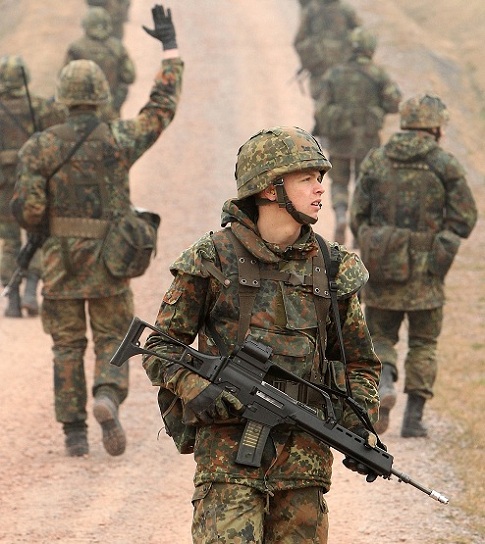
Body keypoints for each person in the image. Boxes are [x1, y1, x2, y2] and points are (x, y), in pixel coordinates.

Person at [142, 126, 381, 543]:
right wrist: (200, 390)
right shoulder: (213, 257)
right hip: (227, 460)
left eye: (320, 178)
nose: (319, 189)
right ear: (270, 189)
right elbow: (160, 347)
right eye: (306, 178)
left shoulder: (332, 266)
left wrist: (360, 427)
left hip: (305, 464)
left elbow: (360, 363)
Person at [11, 4, 183, 457]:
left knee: (67, 346)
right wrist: (170, 49)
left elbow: (28, 212)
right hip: (110, 259)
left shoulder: (40, 147)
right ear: (103, 95)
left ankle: (73, 434)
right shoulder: (118, 139)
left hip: (62, 263)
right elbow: (160, 109)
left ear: (63, 96)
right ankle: (107, 394)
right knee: (112, 337)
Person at [350, 93, 477, 437]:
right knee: (423, 343)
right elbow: (466, 217)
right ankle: (414, 421)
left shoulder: (377, 159)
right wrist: (443, 246)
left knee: (380, 334)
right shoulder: (444, 163)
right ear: (435, 126)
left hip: (382, 266)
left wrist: (375, 242)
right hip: (427, 271)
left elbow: (356, 215)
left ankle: (386, 380)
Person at [313, 27, 402, 245]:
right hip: (368, 141)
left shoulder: (334, 74)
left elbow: (321, 108)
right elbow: (394, 102)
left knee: (340, 183)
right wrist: (377, 109)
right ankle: (359, 228)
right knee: (366, 183)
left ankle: (341, 215)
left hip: (340, 140)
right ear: (370, 48)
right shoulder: (378, 74)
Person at [0, 55, 66, 318]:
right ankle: (31, 289)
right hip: (35, 184)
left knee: (9, 243)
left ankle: (13, 298)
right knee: (36, 238)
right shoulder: (40, 107)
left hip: (3, 189)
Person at [64, 6, 136, 120]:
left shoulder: (76, 48)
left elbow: (64, 79)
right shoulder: (117, 47)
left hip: (81, 111)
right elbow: (129, 77)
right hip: (110, 110)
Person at [293, 0, 361, 101]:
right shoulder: (313, 10)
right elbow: (299, 41)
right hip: (329, 69)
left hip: (338, 69)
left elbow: (299, 41)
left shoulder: (312, 10)